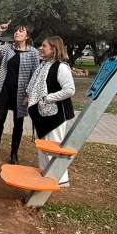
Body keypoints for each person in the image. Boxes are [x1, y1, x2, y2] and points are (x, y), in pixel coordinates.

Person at [0, 22, 40, 164]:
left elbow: (35, 75)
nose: (16, 33)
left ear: (27, 36)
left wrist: (29, 95)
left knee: (18, 124)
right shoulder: (8, 49)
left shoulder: (33, 52)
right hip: (5, 91)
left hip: (21, 94)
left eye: (21, 31)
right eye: (16, 31)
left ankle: (14, 154)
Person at [26, 36, 76, 186]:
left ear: (54, 49)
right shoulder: (43, 65)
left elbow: (70, 90)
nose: (41, 48)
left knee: (53, 147)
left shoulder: (61, 67)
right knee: (42, 146)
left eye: (44, 46)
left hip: (56, 115)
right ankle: (46, 175)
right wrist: (30, 97)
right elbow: (34, 85)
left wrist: (48, 98)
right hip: (42, 114)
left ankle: (59, 180)